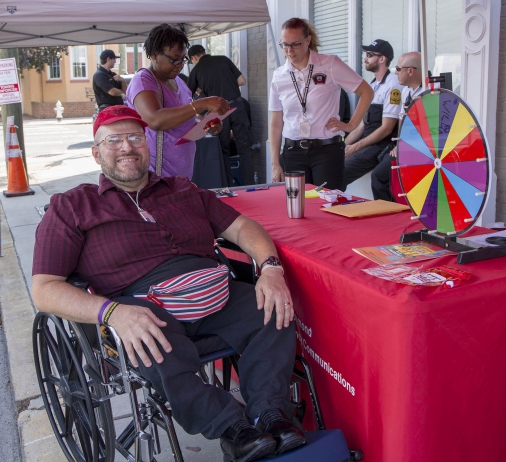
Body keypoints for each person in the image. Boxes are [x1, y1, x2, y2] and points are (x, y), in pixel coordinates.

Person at [31, 106, 307, 462]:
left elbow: (242, 228)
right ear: (96, 153)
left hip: (213, 294)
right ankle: (231, 428)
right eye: (113, 140)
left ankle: (269, 415)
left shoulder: (183, 189)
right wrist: (111, 312)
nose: (127, 147)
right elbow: (45, 288)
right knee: (149, 335)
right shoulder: (72, 206)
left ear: (147, 145)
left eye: (134, 137)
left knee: (273, 311)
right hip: (138, 301)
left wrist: (270, 269)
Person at [269, 17, 373, 191]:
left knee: (328, 208)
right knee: (297, 210)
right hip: (292, 152)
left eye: (295, 44)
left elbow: (366, 92)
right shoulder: (279, 75)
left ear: (308, 40)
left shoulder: (329, 64)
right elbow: (275, 123)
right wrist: (275, 163)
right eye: (285, 44)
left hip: (327, 151)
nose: (289, 50)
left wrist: (352, 125)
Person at [126, 24, 229, 180]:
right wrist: (202, 104)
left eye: (183, 60)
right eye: (174, 60)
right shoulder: (144, 80)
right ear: (154, 55)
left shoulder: (179, 82)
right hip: (155, 176)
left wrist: (207, 125)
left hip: (181, 173)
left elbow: (183, 122)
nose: (180, 65)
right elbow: (154, 119)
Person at [188, 44, 255, 186]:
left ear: (193, 58)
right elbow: (242, 81)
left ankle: (227, 186)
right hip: (237, 106)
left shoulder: (196, 70)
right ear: (204, 52)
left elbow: (188, 95)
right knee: (244, 148)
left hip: (219, 112)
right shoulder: (224, 59)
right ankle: (250, 185)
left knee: (223, 149)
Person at [342, 40, 401, 194]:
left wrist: (354, 147)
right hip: (367, 143)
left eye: (369, 55)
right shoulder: (373, 85)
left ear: (382, 59)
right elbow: (362, 125)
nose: (365, 58)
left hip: (381, 145)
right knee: (331, 165)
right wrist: (342, 147)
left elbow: (387, 128)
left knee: (338, 172)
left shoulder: (393, 85)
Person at [371, 51, 424, 201]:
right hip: (404, 146)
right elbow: (402, 119)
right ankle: (388, 214)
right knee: (379, 176)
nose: (395, 72)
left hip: (424, 150)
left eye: (399, 68)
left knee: (384, 177)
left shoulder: (429, 92)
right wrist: (399, 143)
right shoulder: (406, 90)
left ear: (410, 71)